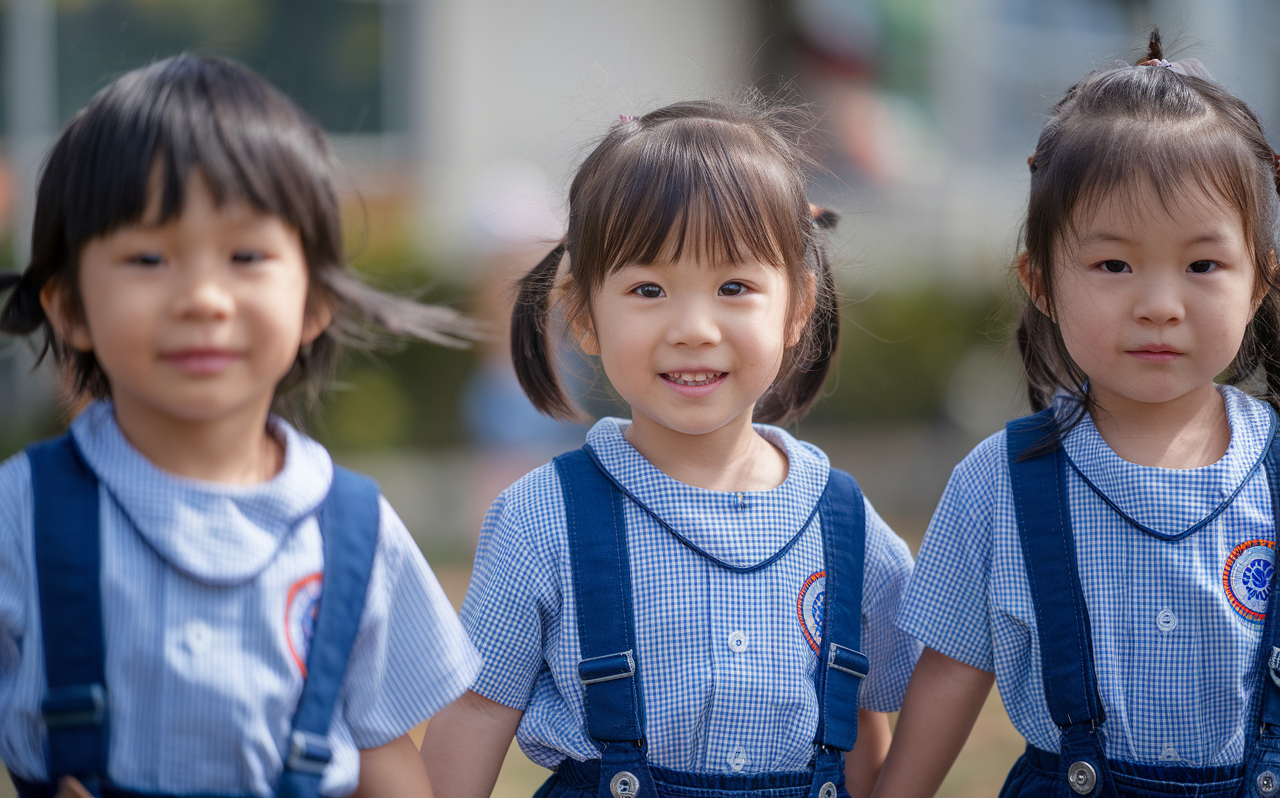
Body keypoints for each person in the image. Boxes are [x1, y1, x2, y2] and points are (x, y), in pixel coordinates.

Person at [0, 55, 482, 798]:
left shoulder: (352, 533)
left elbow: (386, 758)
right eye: (149, 256)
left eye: (246, 255)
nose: (203, 297)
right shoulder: (23, 514)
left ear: (315, 301)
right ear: (68, 308)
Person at [419, 100, 921, 798]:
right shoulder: (543, 518)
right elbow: (475, 708)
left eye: (734, 287)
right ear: (583, 315)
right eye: (648, 288)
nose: (693, 327)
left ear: (798, 309)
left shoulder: (844, 523)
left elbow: (862, 714)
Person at [871, 32, 1280, 798]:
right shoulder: (999, 482)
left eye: (1202, 265)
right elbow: (954, 669)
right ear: (1042, 282)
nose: (1159, 306)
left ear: (1258, 282)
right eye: (1114, 265)